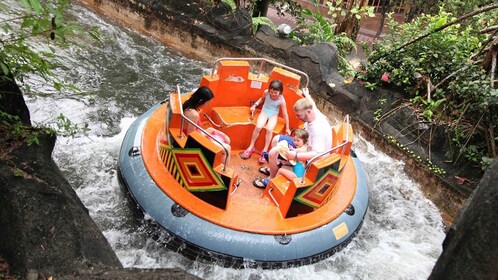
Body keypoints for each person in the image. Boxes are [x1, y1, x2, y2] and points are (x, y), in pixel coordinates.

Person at [253, 88, 332, 188]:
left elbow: (318, 154)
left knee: (274, 152)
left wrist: (295, 156)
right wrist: (307, 95)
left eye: (299, 115)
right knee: (276, 139)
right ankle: (274, 167)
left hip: (311, 158)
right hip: (305, 146)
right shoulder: (312, 110)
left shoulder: (317, 129)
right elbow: (311, 102)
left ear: (308, 112)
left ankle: (271, 179)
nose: (297, 117)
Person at [240, 80, 291, 163]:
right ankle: (251, 146)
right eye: (272, 92)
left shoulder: (281, 100)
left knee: (269, 129)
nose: (273, 94)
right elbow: (262, 99)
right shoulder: (266, 92)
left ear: (280, 92)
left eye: (275, 93)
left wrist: (287, 128)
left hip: (274, 114)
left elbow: (285, 114)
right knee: (258, 126)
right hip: (265, 111)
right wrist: (255, 105)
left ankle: (265, 150)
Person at [183, 86, 231, 164]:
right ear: (201, 101)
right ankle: (223, 175)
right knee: (227, 149)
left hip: (199, 134)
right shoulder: (193, 114)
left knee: (227, 139)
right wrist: (206, 139)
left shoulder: (189, 105)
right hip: (197, 142)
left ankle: (218, 162)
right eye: (207, 103)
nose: (208, 105)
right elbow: (191, 136)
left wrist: (207, 132)